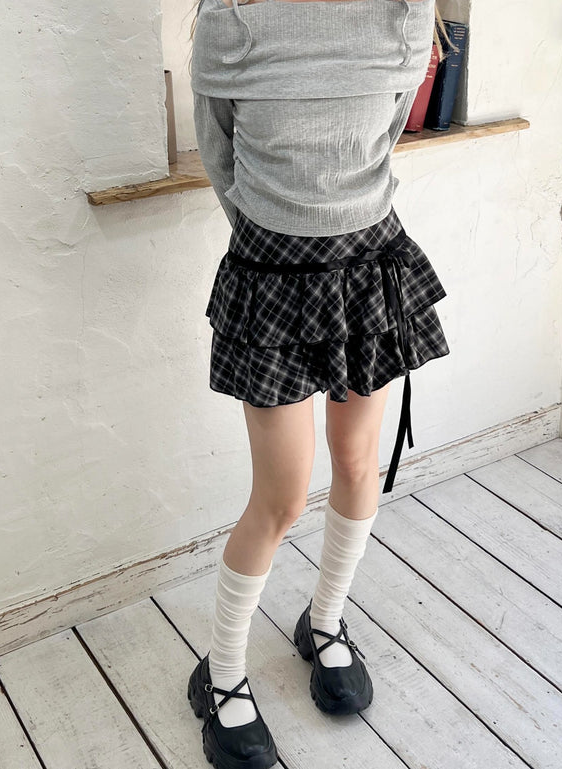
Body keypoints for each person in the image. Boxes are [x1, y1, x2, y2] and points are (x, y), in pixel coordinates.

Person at [185, 0, 451, 766]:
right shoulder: (230, 18)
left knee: (359, 462)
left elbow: (382, 138)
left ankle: (326, 619)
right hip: (269, 273)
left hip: (367, 267)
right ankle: (221, 672)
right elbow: (220, 157)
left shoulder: (404, 13)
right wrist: (277, 247)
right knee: (280, 495)